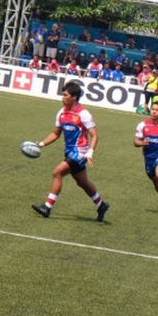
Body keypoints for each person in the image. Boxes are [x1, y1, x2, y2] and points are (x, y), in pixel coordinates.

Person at [31, 81, 109, 221]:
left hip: (80, 152)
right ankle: (101, 205)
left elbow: (95, 135)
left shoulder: (83, 114)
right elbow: (56, 134)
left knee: (57, 172)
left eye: (65, 95)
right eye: (62, 94)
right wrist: (41, 144)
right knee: (82, 182)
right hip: (69, 151)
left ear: (74, 97)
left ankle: (47, 207)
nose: (62, 97)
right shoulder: (61, 113)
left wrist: (90, 152)